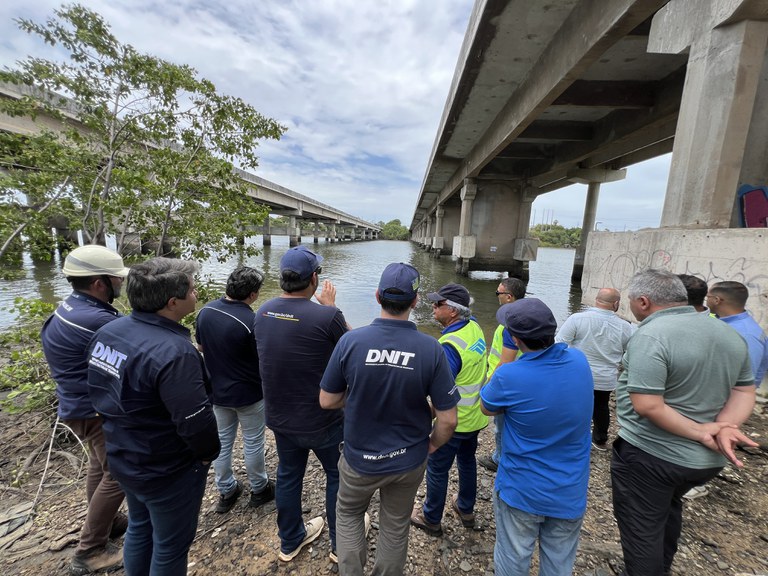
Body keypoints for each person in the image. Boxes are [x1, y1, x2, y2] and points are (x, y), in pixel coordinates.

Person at [611, 269, 757, 576]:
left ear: (643, 302)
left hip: (653, 456)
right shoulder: (727, 333)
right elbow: (745, 389)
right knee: (667, 512)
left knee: (641, 533)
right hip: (706, 461)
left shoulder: (652, 335)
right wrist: (727, 426)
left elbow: (648, 405)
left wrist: (701, 431)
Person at [319, 263, 459, 575]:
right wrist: (432, 446)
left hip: (359, 459)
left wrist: (355, 397)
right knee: (395, 526)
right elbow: (448, 419)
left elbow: (327, 400)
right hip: (407, 459)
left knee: (350, 514)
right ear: (415, 301)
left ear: (378, 296)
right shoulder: (431, 349)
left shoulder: (351, 342)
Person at [87, 257, 220, 576]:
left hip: (124, 455)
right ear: (173, 302)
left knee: (140, 528)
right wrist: (206, 456)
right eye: (191, 288)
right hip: (166, 468)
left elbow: (98, 389)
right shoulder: (174, 352)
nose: (196, 292)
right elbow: (195, 420)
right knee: (171, 545)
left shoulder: (109, 331)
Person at [480, 298, 593, 576]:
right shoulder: (579, 360)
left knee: (513, 556)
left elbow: (486, 407)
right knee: (559, 562)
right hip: (569, 488)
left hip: (522, 488)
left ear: (515, 339)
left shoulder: (510, 375)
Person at [253, 245, 349, 563]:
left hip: (280, 417)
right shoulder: (327, 315)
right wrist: (332, 307)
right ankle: (339, 546)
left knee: (289, 474)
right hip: (324, 418)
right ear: (313, 279)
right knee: (337, 476)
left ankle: (290, 539)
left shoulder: (263, 312)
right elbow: (353, 349)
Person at [40, 244, 129, 575]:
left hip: (77, 404)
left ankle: (109, 521)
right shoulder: (97, 320)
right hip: (94, 409)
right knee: (118, 472)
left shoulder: (72, 307)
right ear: (98, 283)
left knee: (98, 465)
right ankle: (89, 551)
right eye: (116, 279)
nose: (120, 285)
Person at [195, 266, 274, 513]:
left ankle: (226, 491)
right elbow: (263, 358)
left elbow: (200, 346)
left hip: (217, 392)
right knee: (252, 442)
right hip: (249, 393)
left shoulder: (205, 311)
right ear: (252, 294)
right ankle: (260, 489)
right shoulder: (251, 321)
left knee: (222, 442)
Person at [411, 283, 487, 537]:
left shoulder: (449, 347)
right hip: (475, 416)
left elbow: (442, 392)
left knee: (437, 468)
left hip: (456, 422)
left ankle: (431, 517)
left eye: (438, 304)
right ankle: (465, 507)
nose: (432, 307)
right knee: (467, 461)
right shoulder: (474, 326)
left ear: (453, 312)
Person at [555, 287, 635, 450]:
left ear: (596, 300)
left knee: (573, 405)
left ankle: (569, 438)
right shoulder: (625, 327)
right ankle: (599, 439)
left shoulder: (577, 319)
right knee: (601, 406)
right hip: (605, 378)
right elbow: (631, 352)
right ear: (616, 304)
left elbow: (560, 343)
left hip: (578, 374)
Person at [478, 277, 526, 472]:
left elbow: (505, 361)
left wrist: (491, 383)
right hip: (523, 379)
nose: (496, 296)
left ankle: (499, 459)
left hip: (508, 382)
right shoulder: (527, 316)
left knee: (501, 423)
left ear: (508, 297)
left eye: (498, 293)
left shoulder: (509, 323)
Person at [707, 280, 768, 389]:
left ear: (717, 300)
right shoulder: (722, 321)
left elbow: (746, 380)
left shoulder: (746, 335)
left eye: (708, 297)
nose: (706, 301)